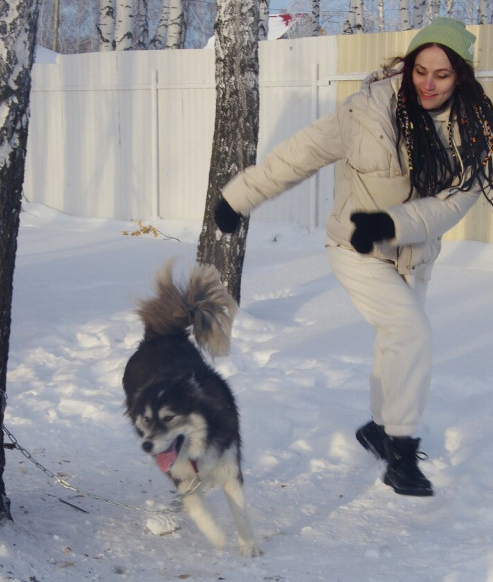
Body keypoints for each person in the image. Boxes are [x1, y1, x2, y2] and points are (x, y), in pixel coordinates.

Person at [215, 17, 493, 497]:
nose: (428, 83)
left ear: (461, 76)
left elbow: (454, 204)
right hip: (355, 247)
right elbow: (298, 154)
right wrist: (239, 196)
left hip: (414, 252)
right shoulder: (367, 111)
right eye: (420, 70)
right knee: (409, 330)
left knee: (397, 341)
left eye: (442, 75)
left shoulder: (476, 132)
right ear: (408, 67)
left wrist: (392, 224)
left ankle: (381, 429)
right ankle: (401, 455)